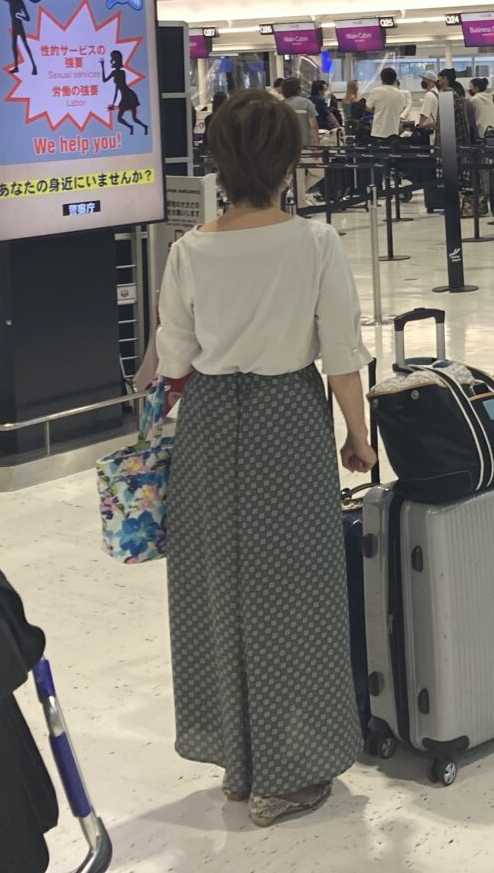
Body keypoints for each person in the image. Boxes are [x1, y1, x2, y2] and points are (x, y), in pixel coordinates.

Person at [153, 91, 375, 826]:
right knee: (297, 590)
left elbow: (174, 357)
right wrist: (358, 434)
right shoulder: (313, 243)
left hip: (211, 421)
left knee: (219, 587)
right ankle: (291, 770)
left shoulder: (189, 250)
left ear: (217, 162)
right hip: (288, 416)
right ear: (288, 162)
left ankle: (238, 758)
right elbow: (341, 351)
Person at [364, 67, 409, 148]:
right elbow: (401, 109)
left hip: (378, 132)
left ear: (382, 78)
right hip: (394, 131)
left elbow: (368, 107)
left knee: (378, 154)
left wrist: (378, 111)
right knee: (392, 154)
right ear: (394, 79)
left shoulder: (376, 91)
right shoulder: (400, 94)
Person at [106, 49, 147, 134]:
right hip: (125, 96)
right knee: (120, 119)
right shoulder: (115, 73)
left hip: (129, 96)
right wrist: (102, 66)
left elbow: (117, 91)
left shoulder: (121, 73)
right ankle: (131, 127)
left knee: (134, 118)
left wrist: (113, 104)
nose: (111, 62)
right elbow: (105, 80)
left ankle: (144, 127)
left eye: (113, 60)